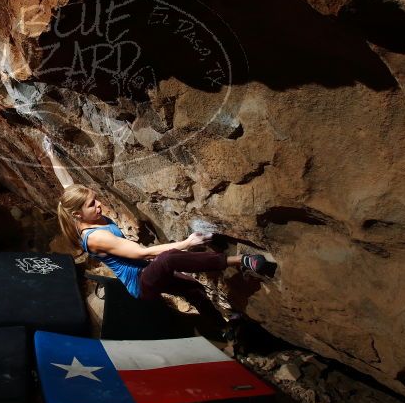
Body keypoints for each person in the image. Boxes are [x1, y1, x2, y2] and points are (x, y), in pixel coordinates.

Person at [43, 135, 276, 329]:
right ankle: (243, 261)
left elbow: (66, 185)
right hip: (142, 283)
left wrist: (52, 154)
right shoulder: (97, 237)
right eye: (92, 205)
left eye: (96, 200)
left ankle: (223, 328)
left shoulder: (73, 211)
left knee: (193, 289)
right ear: (78, 215)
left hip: (147, 272)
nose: (99, 206)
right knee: (168, 258)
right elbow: (144, 254)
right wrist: (187, 242)